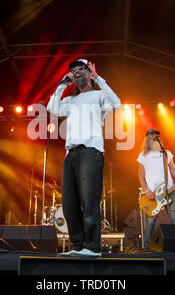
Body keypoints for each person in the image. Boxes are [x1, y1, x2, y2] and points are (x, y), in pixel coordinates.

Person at [47, 58, 120, 257]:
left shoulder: (98, 95)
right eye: (74, 70)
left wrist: (99, 78)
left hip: (90, 151)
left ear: (89, 73)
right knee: (69, 203)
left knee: (89, 200)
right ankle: (78, 245)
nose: (77, 72)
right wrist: (62, 84)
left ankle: (92, 247)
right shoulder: (70, 101)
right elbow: (52, 108)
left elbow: (116, 103)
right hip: (71, 153)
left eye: (81, 68)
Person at [137, 129, 175, 250]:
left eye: (157, 135)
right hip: (152, 194)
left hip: (169, 190)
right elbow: (141, 177)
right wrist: (147, 191)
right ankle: (148, 248)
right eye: (152, 135)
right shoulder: (143, 155)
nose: (155, 136)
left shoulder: (166, 153)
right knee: (150, 222)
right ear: (147, 138)